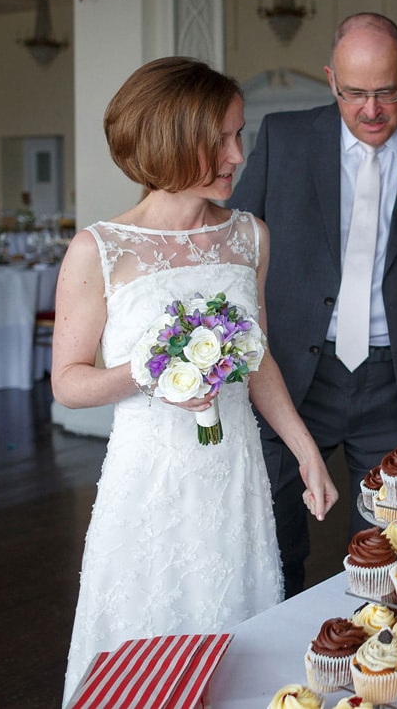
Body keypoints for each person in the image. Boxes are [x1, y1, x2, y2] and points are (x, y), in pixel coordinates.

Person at [53, 57, 337, 702]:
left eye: (240, 135)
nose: (238, 155)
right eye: (222, 140)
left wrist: (304, 449)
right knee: (146, 650)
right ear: (172, 143)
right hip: (147, 483)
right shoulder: (101, 250)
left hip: (234, 475)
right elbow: (69, 384)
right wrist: (153, 369)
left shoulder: (249, 238)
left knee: (236, 633)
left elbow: (257, 359)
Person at [231, 13, 397, 596]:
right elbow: (234, 244)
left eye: (386, 93)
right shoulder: (284, 138)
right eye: (354, 94)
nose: (371, 110)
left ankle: (373, 668)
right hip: (291, 377)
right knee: (272, 539)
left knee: (390, 553)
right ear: (331, 80)